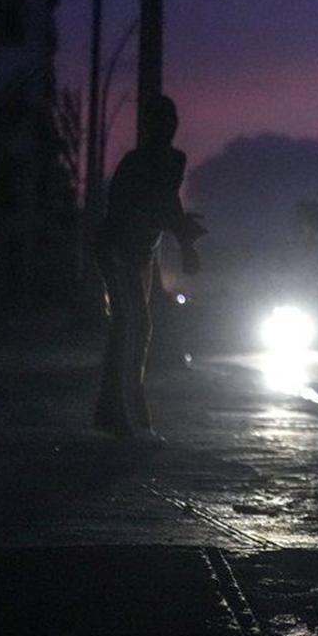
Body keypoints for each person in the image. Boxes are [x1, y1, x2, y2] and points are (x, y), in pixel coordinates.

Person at [93, 95, 205, 443]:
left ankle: (112, 415)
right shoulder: (135, 163)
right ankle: (132, 423)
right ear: (147, 127)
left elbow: (168, 204)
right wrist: (181, 232)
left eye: (172, 121)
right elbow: (144, 209)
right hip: (119, 250)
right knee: (135, 327)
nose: (168, 128)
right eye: (160, 121)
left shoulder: (174, 160)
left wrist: (185, 242)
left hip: (143, 252)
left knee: (129, 329)